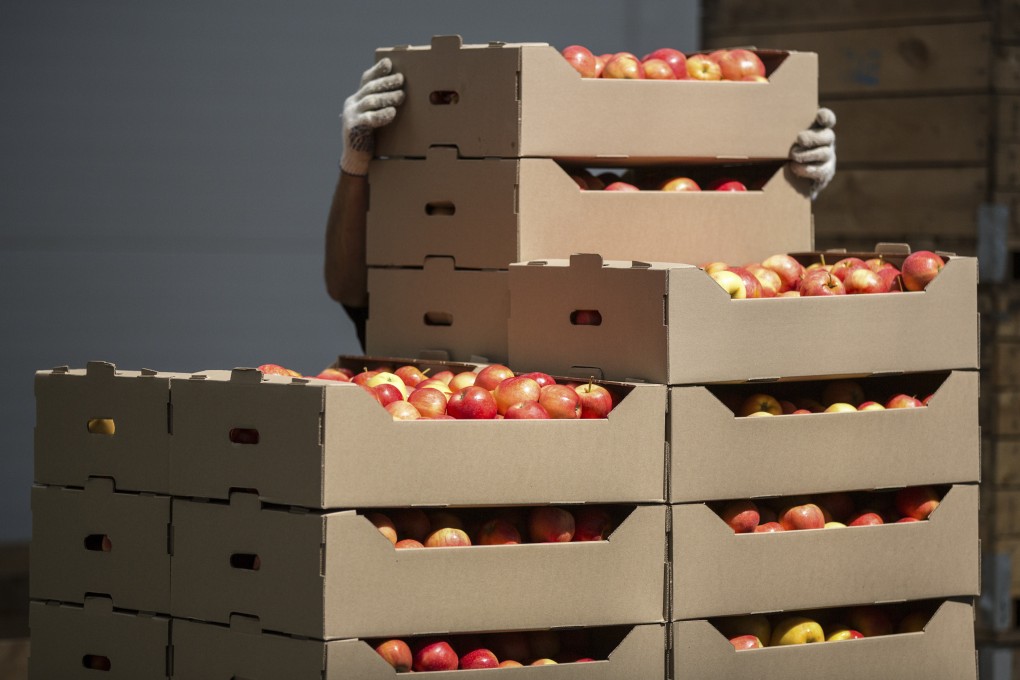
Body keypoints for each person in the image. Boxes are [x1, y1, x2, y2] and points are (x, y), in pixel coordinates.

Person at [325, 58, 837, 348]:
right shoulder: (438, 273)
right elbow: (348, 289)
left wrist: (785, 182)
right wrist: (356, 163)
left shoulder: (665, 284)